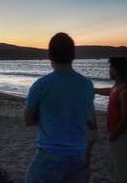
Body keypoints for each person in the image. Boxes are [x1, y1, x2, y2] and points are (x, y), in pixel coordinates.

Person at [24, 32, 95, 183]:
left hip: (50, 155)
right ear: (73, 55)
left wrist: (49, 116)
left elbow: (28, 120)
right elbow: (89, 119)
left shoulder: (41, 85)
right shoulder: (87, 85)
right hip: (78, 155)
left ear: (50, 55)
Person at [94, 57, 127, 183]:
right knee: (117, 169)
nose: (109, 70)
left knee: (123, 171)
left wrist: (113, 135)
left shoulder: (126, 92)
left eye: (111, 67)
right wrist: (93, 90)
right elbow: (110, 91)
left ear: (116, 70)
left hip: (121, 136)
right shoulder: (118, 86)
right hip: (115, 134)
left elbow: (125, 120)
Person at [84, 106, 99, 183]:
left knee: (85, 161)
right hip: (88, 131)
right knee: (85, 161)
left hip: (88, 131)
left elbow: (92, 124)